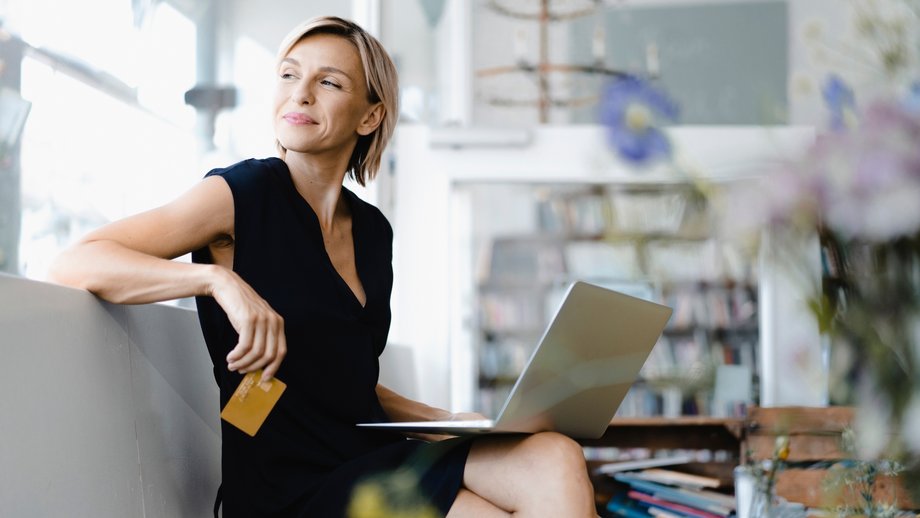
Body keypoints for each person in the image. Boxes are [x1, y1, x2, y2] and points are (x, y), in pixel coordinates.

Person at [49, 16, 596, 517]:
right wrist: (215, 279)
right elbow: (77, 262)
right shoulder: (243, 193)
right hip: (282, 487)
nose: (300, 94)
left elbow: (344, 381)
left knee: (554, 454)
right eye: (289, 75)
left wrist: (442, 420)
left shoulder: (373, 230)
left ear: (371, 115)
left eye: (329, 82)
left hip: (365, 458)